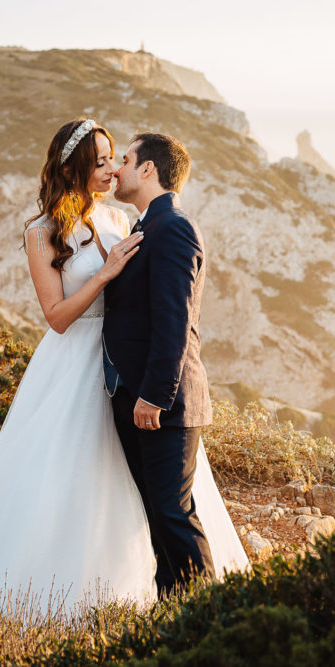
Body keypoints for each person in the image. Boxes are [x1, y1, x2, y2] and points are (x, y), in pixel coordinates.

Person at [0, 119, 248, 624]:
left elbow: (163, 304)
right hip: (75, 365)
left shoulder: (122, 220)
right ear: (73, 168)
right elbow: (56, 317)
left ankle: (165, 600)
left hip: (124, 374)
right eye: (100, 162)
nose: (112, 169)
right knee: (63, 479)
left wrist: (153, 383)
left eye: (117, 158)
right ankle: (53, 592)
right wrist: (107, 272)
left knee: (150, 496)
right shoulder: (42, 232)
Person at [103, 132, 216, 596]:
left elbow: (175, 321)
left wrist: (153, 395)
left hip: (164, 403)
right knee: (158, 513)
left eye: (125, 159)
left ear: (148, 169)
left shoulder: (173, 227)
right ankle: (176, 615)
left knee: (173, 512)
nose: (117, 169)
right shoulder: (146, 226)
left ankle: (213, 615)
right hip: (137, 397)